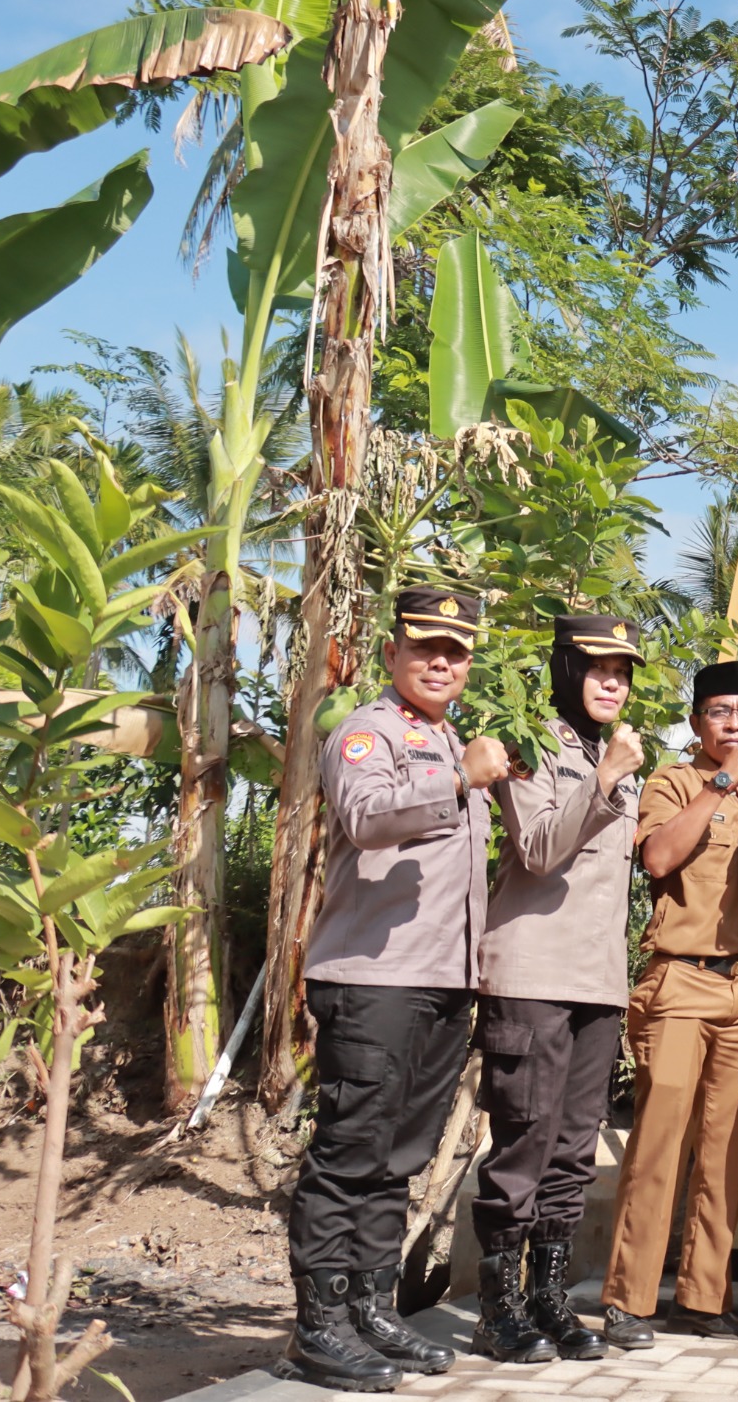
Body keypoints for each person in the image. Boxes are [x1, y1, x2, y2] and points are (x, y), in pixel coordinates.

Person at [283, 588, 509, 1393]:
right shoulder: (369, 733)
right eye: (426, 648)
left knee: (397, 1157)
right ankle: (319, 1327)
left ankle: (373, 1310)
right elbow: (368, 816)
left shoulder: (455, 745)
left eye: (456, 650)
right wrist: (457, 786)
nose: (442, 661)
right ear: (393, 655)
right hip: (372, 981)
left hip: (443, 983)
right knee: (348, 1154)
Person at [472, 615, 650, 1364]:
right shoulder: (533, 742)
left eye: (624, 671)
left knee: (575, 1150)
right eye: (599, 667)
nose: (613, 682)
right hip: (533, 974)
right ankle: (497, 1307)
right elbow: (539, 849)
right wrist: (604, 782)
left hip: (598, 982)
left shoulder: (620, 758)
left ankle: (547, 1298)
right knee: (525, 1140)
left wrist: (614, 774)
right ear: (567, 667)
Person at [600, 660, 738, 1346]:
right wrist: (724, 780)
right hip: (680, 981)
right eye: (720, 711)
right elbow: (660, 859)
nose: (735, 724)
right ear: (697, 720)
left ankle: (704, 1297)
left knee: (726, 1152)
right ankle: (628, 1299)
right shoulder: (675, 781)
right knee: (658, 1147)